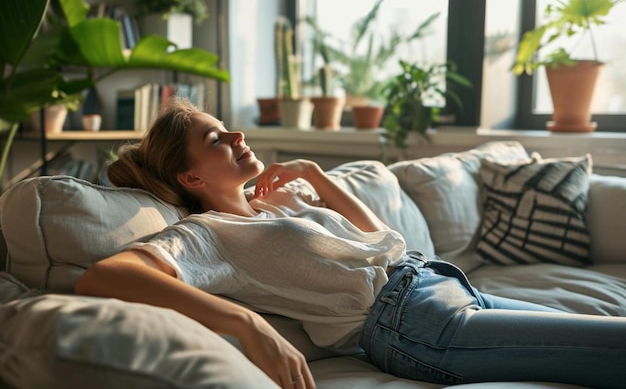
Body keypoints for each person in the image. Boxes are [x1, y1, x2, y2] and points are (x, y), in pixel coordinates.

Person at [75, 97, 626, 389]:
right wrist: (246, 323)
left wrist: (316, 174)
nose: (237, 136)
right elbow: (104, 278)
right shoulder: (207, 236)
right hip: (413, 325)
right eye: (215, 139)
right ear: (191, 179)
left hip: (439, 283)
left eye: (229, 127)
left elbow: (382, 239)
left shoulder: (278, 204)